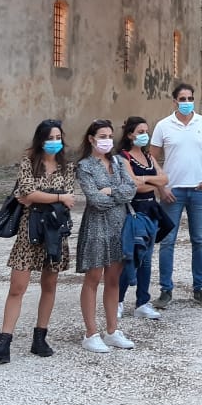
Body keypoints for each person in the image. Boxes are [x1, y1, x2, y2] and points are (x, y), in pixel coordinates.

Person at [0, 119, 77, 362]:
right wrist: (57, 196)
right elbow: (26, 193)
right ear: (40, 139)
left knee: (50, 285)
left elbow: (67, 198)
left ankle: (40, 337)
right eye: (49, 138)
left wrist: (41, 197)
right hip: (29, 231)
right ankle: (4, 341)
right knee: (17, 287)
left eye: (58, 137)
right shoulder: (28, 163)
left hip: (55, 231)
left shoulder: (68, 167)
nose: (54, 142)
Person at [151, 82, 202, 308]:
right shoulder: (163, 126)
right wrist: (161, 187)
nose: (187, 103)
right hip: (173, 192)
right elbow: (151, 159)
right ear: (174, 102)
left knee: (199, 240)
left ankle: (200, 288)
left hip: (199, 190)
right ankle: (165, 290)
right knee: (167, 241)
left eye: (190, 98)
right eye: (183, 99)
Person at [75, 120, 138, 353]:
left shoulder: (119, 161)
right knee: (93, 278)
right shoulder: (84, 166)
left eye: (110, 135)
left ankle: (112, 330)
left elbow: (130, 189)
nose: (107, 140)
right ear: (91, 138)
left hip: (120, 225)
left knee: (113, 279)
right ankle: (90, 333)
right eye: (102, 135)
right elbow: (95, 199)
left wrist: (111, 191)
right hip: (96, 226)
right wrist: (117, 194)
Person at [119, 116, 166, 321]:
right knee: (130, 257)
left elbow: (164, 178)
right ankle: (118, 301)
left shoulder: (148, 157)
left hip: (151, 211)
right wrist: (153, 183)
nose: (144, 135)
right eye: (140, 132)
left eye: (146, 131)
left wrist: (146, 179)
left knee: (146, 260)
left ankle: (142, 302)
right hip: (132, 211)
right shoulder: (124, 158)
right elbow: (133, 186)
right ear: (130, 134)